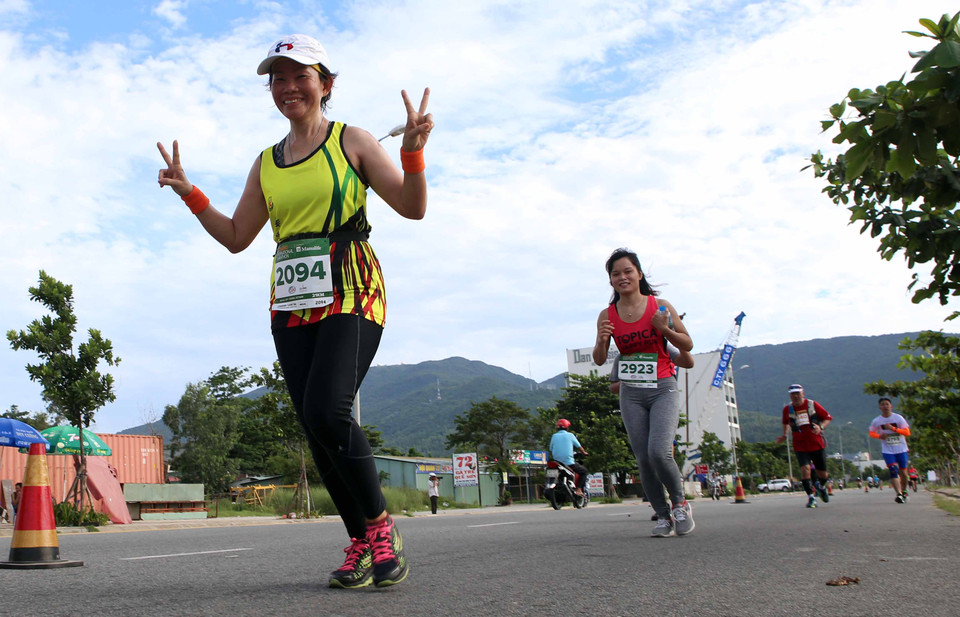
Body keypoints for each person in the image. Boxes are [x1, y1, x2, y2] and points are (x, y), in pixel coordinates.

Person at [156, 34, 433, 589]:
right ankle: (361, 544)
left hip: (352, 288)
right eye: (277, 79)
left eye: (300, 76)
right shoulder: (266, 163)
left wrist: (413, 151)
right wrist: (190, 193)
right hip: (291, 301)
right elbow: (236, 237)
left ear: (325, 84)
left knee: (330, 411)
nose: (288, 88)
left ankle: (381, 528)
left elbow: (412, 206)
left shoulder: (350, 140)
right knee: (314, 424)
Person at [592, 248, 695, 537]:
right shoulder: (607, 314)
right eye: (615, 274)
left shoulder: (660, 306)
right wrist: (602, 341)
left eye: (627, 271)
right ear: (611, 280)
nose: (622, 277)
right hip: (632, 393)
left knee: (658, 451)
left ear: (639, 274)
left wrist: (666, 330)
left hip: (663, 386)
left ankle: (679, 504)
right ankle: (662, 516)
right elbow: (600, 359)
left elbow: (687, 345)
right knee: (643, 458)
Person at [776, 384, 833, 508]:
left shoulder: (812, 405)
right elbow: (786, 423)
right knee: (805, 470)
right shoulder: (788, 409)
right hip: (800, 445)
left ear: (803, 393)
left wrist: (820, 427)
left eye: (797, 393)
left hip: (817, 444)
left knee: (823, 474)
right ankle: (811, 498)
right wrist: (785, 435)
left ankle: (822, 487)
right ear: (790, 395)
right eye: (792, 394)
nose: (795, 396)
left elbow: (827, 418)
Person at [868, 397, 912, 504]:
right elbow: (871, 432)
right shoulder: (877, 421)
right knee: (893, 470)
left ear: (891, 406)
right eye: (883, 405)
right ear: (880, 407)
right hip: (888, 450)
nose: (885, 406)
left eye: (887, 404)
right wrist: (879, 436)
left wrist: (894, 429)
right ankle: (899, 494)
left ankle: (904, 490)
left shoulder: (898, 418)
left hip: (901, 448)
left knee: (903, 472)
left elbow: (907, 432)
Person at [549, 419, 589, 495]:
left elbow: (551, 448)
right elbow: (579, 447)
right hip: (568, 463)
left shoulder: (554, 436)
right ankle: (579, 489)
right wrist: (584, 453)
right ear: (567, 428)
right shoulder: (570, 435)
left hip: (556, 463)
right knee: (584, 471)